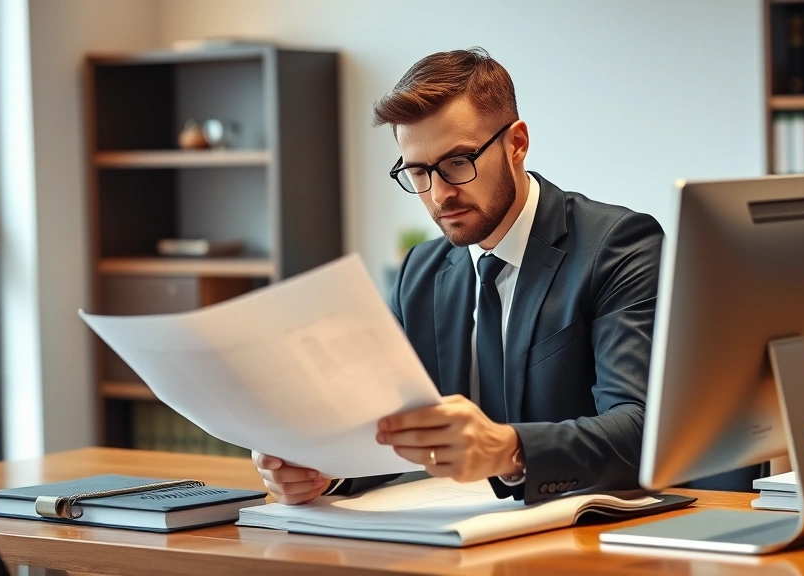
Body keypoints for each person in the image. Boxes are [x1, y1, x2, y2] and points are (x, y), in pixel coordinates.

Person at [252, 47, 664, 505]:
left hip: (585, 532)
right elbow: (388, 431)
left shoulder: (618, 246)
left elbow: (641, 426)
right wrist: (324, 471)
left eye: (457, 162)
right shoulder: (419, 273)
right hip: (456, 534)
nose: (440, 194)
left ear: (517, 143)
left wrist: (510, 450)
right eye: (418, 172)